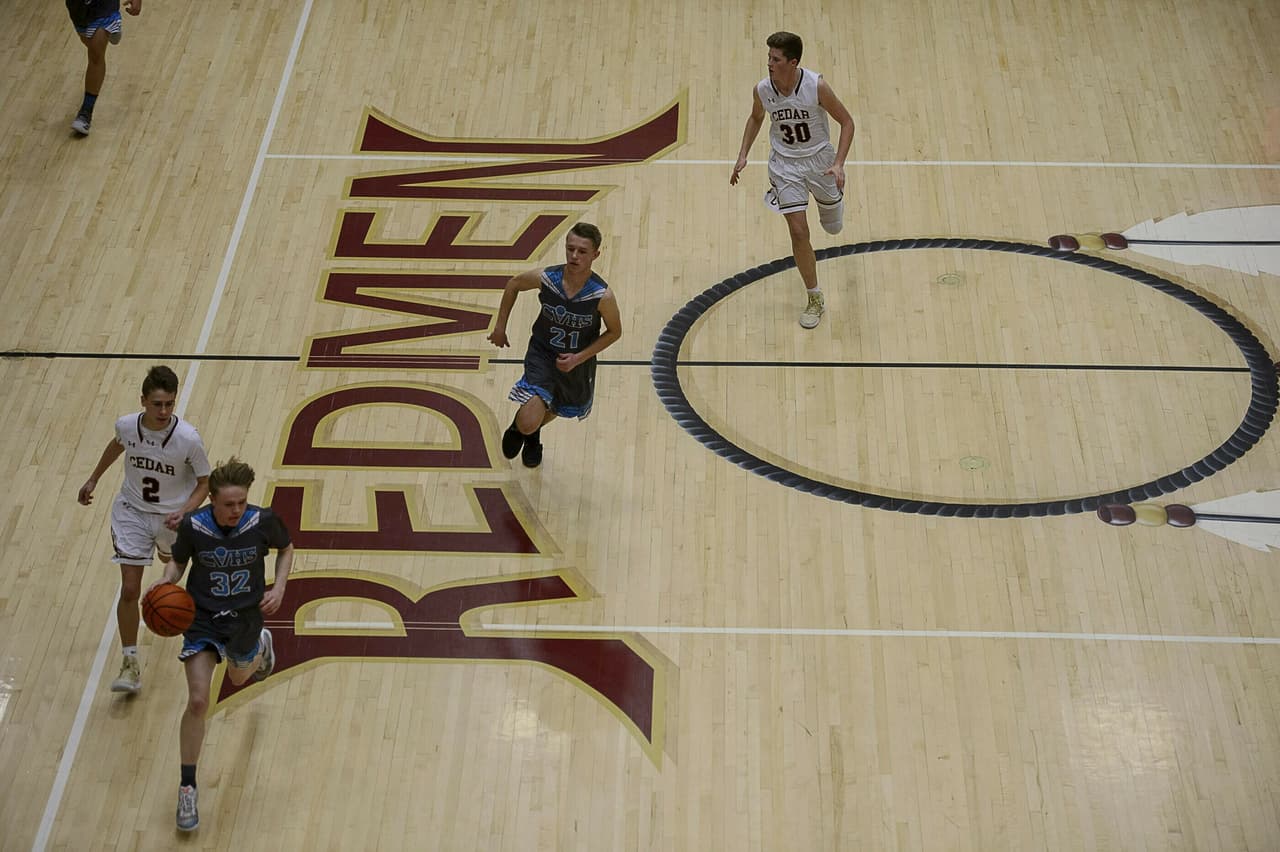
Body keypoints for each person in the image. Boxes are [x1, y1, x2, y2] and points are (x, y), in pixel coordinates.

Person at [148, 457, 294, 832]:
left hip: (245, 619)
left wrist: (279, 587)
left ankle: (261, 646)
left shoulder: (262, 521)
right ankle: (187, 786)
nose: (236, 510)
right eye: (229, 504)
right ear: (211, 500)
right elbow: (178, 563)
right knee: (199, 701)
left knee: (239, 677)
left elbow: (287, 548)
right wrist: (166, 582)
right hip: (202, 620)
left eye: (241, 502)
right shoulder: (193, 526)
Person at [77, 365, 210, 695]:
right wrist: (93, 478)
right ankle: (130, 662)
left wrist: (184, 512)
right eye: (157, 404)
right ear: (143, 401)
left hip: (171, 517)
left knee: (168, 570)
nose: (163, 411)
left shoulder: (188, 439)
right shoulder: (127, 426)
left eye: (169, 404)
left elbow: (205, 483)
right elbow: (117, 444)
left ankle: (166, 559)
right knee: (130, 589)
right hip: (132, 512)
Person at [730, 31, 856, 329]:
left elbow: (847, 122)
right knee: (799, 232)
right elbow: (756, 117)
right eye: (769, 58)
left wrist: (839, 164)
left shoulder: (816, 86)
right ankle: (814, 296)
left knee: (833, 227)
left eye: (776, 59)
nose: (769, 64)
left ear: (793, 62)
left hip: (820, 161)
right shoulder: (763, 89)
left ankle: (834, 204)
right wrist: (743, 154)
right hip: (785, 165)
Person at [486, 222, 622, 468]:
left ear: (595, 255)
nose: (574, 256)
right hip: (543, 353)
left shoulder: (601, 295)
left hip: (577, 362)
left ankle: (533, 434)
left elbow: (615, 332)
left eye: (582, 251)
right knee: (527, 421)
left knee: (563, 407)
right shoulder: (549, 278)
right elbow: (514, 284)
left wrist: (578, 358)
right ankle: (522, 429)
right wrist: (500, 327)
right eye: (570, 249)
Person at [65, 0, 142, 136]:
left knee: (96, 54)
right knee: (90, 43)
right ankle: (112, 28)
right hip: (78, 8)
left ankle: (85, 112)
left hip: (104, 5)